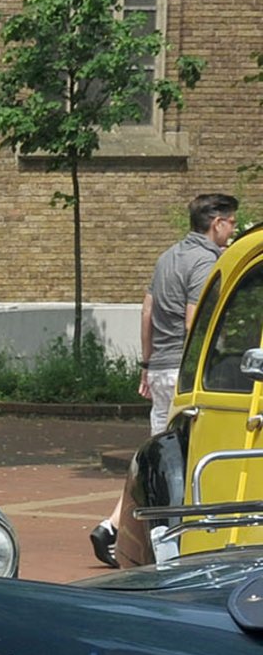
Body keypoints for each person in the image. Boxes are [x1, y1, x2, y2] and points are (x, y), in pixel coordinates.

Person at [91, 191, 241, 565]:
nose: (234, 230)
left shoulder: (167, 257)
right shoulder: (206, 262)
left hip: (160, 367)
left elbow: (147, 311)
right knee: (180, 462)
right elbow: (196, 320)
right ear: (216, 222)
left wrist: (146, 364)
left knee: (157, 454)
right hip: (183, 372)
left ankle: (111, 527)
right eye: (232, 223)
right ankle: (160, 542)